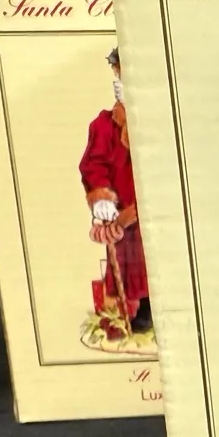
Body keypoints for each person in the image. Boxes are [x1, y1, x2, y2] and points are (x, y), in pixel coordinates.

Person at [81, 47, 150, 333]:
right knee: (129, 265)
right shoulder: (104, 125)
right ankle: (135, 314)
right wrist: (101, 198)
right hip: (127, 216)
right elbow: (94, 165)